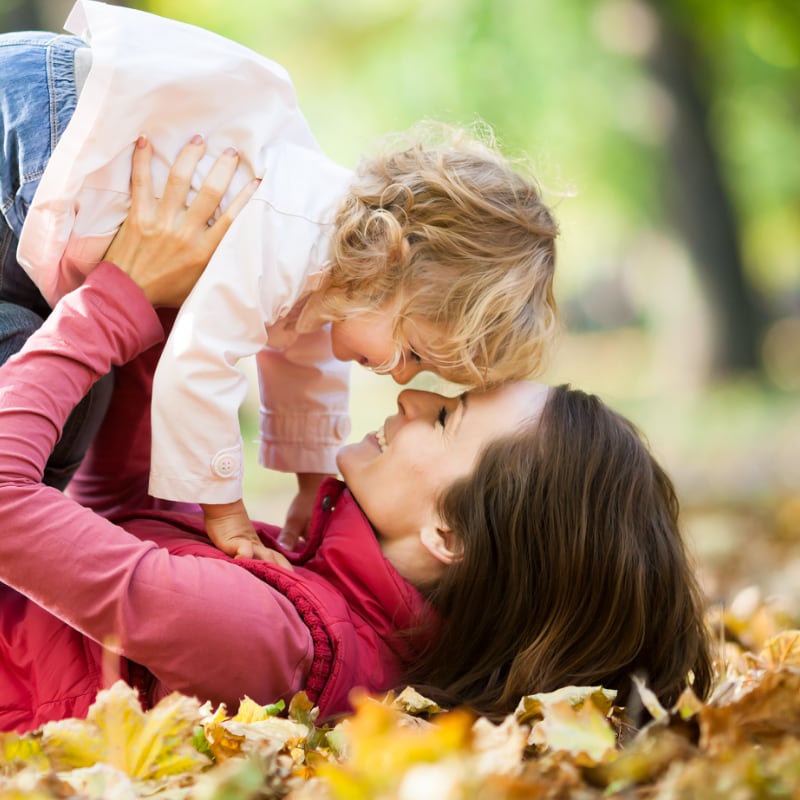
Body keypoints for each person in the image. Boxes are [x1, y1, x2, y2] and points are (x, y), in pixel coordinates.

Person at [0, 140, 711, 734]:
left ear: (449, 536)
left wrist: (119, 294)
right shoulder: (326, 596)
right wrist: (192, 271)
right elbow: (120, 504)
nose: (411, 394)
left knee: (39, 345)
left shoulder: (262, 637)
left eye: (446, 418)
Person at [0, 2, 559, 556]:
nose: (397, 376)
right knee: (65, 419)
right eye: (412, 352)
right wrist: (225, 510)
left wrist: (311, 478)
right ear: (393, 263)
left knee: (74, 399)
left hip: (57, 151)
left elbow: (307, 365)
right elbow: (199, 363)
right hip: (44, 139)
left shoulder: (337, 267)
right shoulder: (295, 229)